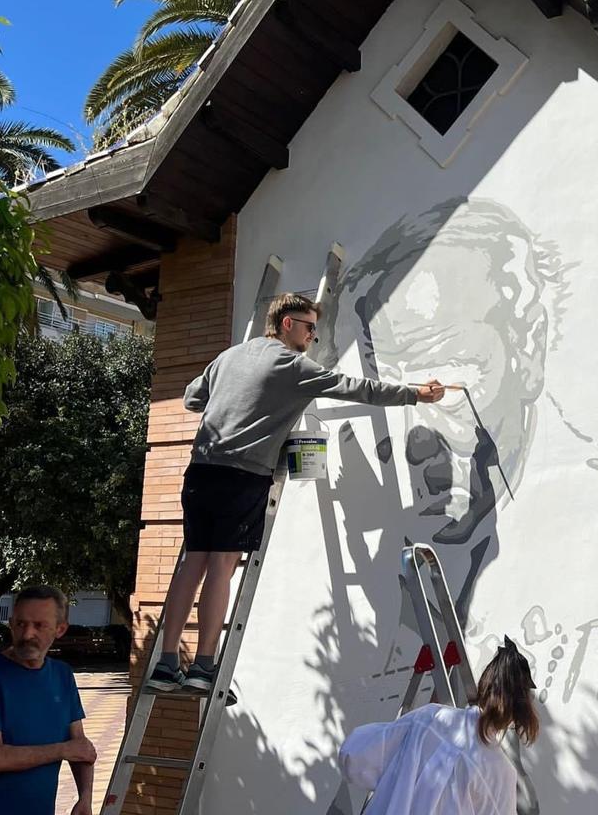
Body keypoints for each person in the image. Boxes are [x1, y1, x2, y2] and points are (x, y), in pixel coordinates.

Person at [147, 292, 446, 693]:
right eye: (308, 328)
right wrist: (415, 393)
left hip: (201, 471)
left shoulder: (229, 357)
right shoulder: (290, 364)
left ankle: (167, 664)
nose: (312, 338)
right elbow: (352, 386)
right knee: (220, 568)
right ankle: (202, 667)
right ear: (287, 323)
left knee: (193, 563)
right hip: (243, 477)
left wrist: (236, 400)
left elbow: (191, 398)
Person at [338, 636, 539, 815]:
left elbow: (353, 757)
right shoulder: (500, 774)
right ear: (521, 709)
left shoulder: (430, 718)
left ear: (484, 683)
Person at [0, 585, 97, 815]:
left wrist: (85, 798)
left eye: (39, 625)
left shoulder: (62, 675)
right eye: (21, 624)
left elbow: (79, 745)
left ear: (60, 629)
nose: (27, 634)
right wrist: (61, 750)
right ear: (11, 623)